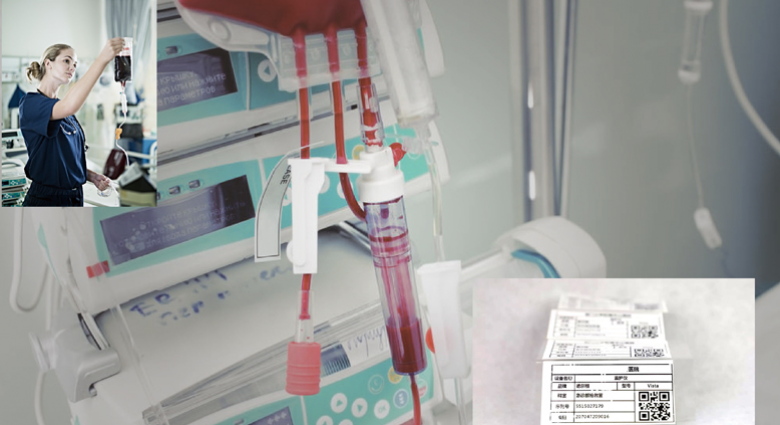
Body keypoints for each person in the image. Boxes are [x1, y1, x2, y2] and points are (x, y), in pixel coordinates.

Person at [19, 39, 124, 206]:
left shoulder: (66, 115)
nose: (72, 67)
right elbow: (70, 105)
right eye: (66, 61)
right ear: (48, 64)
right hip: (46, 200)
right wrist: (102, 59)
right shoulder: (30, 104)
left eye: (75, 64)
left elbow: (65, 159)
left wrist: (92, 176)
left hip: (74, 197)